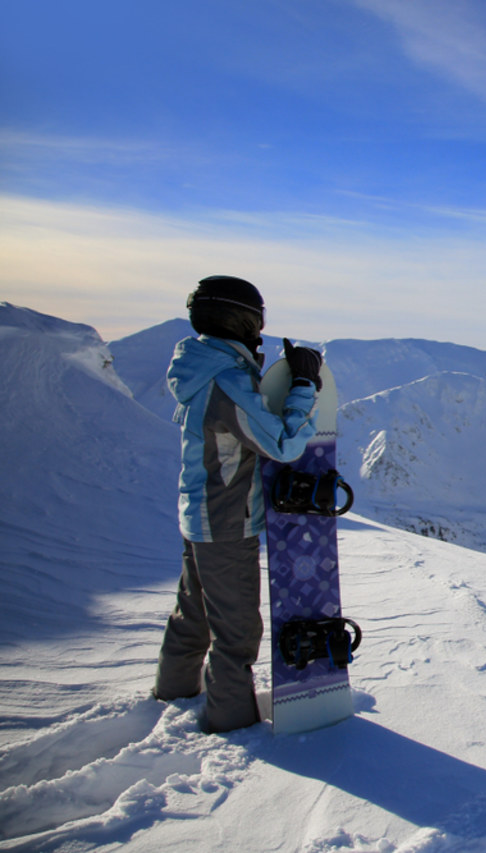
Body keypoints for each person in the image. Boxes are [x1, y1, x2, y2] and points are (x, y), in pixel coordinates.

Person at [153, 275, 325, 732]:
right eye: (256, 320)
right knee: (236, 633)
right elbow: (283, 444)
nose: (259, 330)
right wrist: (305, 383)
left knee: (192, 615)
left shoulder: (200, 369)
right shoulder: (227, 383)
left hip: (199, 515)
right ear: (241, 319)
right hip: (228, 523)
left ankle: (173, 693)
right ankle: (230, 723)